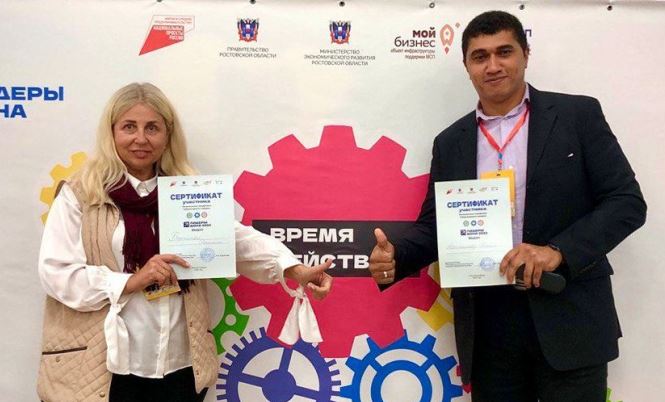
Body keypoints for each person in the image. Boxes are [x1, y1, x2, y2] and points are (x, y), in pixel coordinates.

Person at [368, 10, 646, 402]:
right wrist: (396, 256)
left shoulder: (577, 116)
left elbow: (626, 202)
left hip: (568, 315)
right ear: (467, 66)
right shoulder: (451, 142)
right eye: (480, 56)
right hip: (489, 327)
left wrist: (556, 252)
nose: (493, 65)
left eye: (504, 52)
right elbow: (436, 227)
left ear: (525, 54)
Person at [36, 82, 333, 402]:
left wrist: (294, 269)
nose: (141, 138)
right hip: (106, 369)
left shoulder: (187, 192)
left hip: (178, 365)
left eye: (152, 128)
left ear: (167, 135)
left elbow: (237, 240)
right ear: (111, 132)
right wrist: (132, 281)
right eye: (129, 127)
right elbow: (56, 272)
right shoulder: (82, 194)